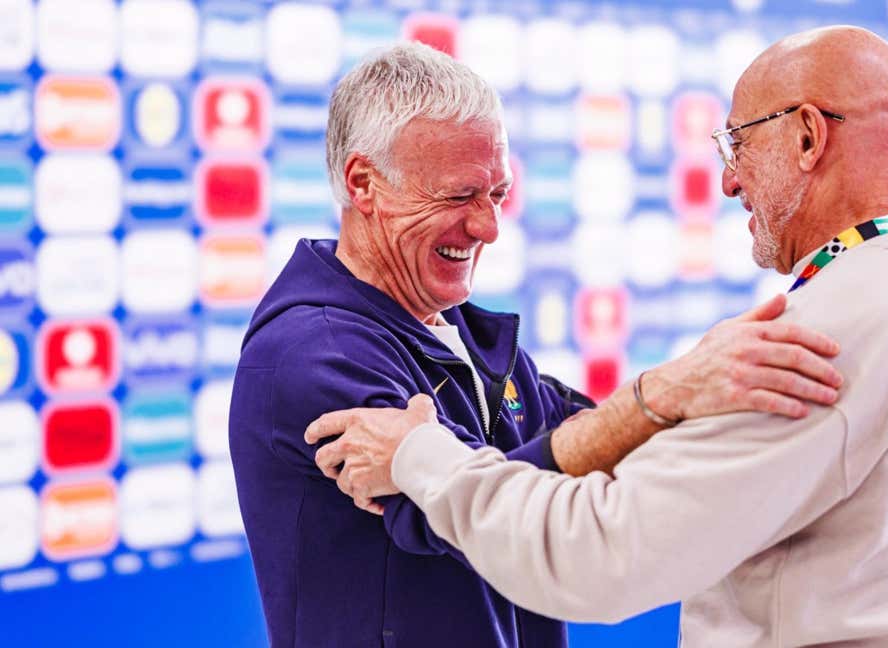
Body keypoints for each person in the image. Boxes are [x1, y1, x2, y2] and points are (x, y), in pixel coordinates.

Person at [308, 25, 888, 646]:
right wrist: (669, 394)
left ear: (808, 135)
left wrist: (419, 458)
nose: (728, 181)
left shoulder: (818, 340)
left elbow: (592, 553)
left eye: (738, 143)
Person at [228, 42, 845, 647]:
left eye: (497, 193)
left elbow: (596, 445)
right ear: (364, 184)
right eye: (458, 195)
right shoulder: (313, 354)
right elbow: (486, 509)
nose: (489, 227)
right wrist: (666, 390)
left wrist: (719, 389)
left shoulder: (465, 331)